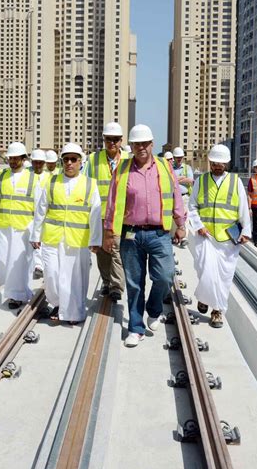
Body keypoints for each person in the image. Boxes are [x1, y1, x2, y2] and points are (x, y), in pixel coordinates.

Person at [104, 125, 186, 347]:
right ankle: (136, 328)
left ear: (152, 144)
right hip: (131, 234)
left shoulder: (164, 167)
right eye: (136, 144)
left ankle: (154, 308)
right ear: (130, 146)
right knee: (134, 283)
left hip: (159, 233)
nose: (140, 148)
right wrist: (110, 232)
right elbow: (112, 203)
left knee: (165, 276)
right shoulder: (122, 170)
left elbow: (175, 195)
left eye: (144, 144)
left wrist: (180, 223)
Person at [31, 143, 102, 324]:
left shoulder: (89, 184)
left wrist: (96, 239)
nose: (69, 163)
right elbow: (41, 210)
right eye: (66, 159)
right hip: (52, 238)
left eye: (73, 159)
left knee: (74, 279)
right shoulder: (52, 182)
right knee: (52, 274)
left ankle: (74, 314)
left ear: (80, 162)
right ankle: (58, 303)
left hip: (77, 240)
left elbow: (95, 214)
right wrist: (35, 235)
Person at [188, 144, 251, 328]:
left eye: (221, 164)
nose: (217, 167)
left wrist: (246, 231)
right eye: (214, 163)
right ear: (210, 162)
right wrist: (198, 225)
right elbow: (192, 207)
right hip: (205, 237)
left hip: (227, 241)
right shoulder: (201, 181)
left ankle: (217, 311)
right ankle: (204, 298)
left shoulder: (235, 182)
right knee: (204, 272)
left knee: (223, 278)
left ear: (226, 164)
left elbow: (243, 210)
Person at [87, 121, 129, 302]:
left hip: (122, 215)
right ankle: (106, 282)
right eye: (108, 139)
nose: (112, 143)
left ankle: (116, 287)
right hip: (100, 214)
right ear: (103, 140)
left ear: (121, 141)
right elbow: (87, 185)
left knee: (117, 251)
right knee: (103, 252)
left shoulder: (129, 158)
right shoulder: (93, 159)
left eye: (115, 139)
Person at [0, 142, 40, 307]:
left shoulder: (33, 179)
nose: (12, 161)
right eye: (10, 158)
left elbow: (39, 207)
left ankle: (17, 296)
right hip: (4, 226)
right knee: (2, 262)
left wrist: (36, 231)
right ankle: (18, 291)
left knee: (18, 264)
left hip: (23, 228)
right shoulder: (2, 176)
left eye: (15, 158)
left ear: (23, 158)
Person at [30, 149, 49, 279]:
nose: (37, 165)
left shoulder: (49, 178)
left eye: (40, 163)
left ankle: (42, 265)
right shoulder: (27, 176)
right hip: (29, 216)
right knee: (34, 242)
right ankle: (37, 266)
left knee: (42, 241)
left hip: (44, 216)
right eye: (35, 163)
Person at [172, 146, 194, 247]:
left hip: (184, 197)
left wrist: (175, 179)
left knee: (185, 217)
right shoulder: (170, 168)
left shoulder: (187, 168)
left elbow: (190, 180)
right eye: (177, 157)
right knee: (174, 217)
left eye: (180, 157)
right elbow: (169, 180)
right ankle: (175, 236)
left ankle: (184, 238)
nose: (179, 159)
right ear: (174, 158)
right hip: (174, 197)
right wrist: (181, 178)